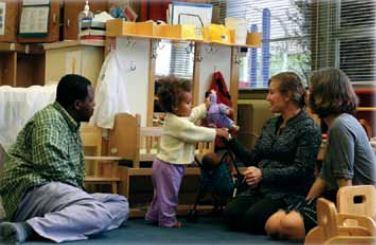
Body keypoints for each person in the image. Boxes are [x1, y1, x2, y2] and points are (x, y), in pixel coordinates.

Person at [0, 74, 129, 243]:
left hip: (51, 189)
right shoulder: (49, 121)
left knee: (120, 203)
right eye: (91, 101)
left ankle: (65, 219)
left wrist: (79, 197)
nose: (94, 105)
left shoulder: (68, 122)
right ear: (77, 104)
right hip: (29, 191)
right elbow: (51, 166)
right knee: (98, 213)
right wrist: (79, 195)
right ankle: (27, 228)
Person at [265, 68, 376, 240]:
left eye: (311, 90)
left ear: (324, 95)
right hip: (336, 196)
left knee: (286, 224)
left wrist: (347, 229)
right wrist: (303, 205)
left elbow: (344, 181)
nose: (306, 93)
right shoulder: (337, 124)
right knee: (273, 223)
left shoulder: (341, 126)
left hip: (358, 203)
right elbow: (324, 175)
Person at [223, 72, 322, 234]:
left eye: (271, 92)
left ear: (288, 96)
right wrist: (228, 138)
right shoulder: (270, 124)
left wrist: (263, 174)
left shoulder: (308, 128)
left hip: (288, 192)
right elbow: (253, 158)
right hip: (261, 189)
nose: (267, 98)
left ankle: (287, 218)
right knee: (230, 214)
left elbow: (302, 170)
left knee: (253, 219)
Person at [145, 75, 229, 228]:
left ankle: (153, 216)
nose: (190, 106)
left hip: (166, 164)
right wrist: (218, 132)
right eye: (188, 103)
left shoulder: (177, 118)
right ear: (176, 107)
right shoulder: (178, 123)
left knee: (161, 195)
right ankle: (167, 221)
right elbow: (195, 131)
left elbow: (192, 115)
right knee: (169, 195)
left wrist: (205, 106)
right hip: (168, 165)